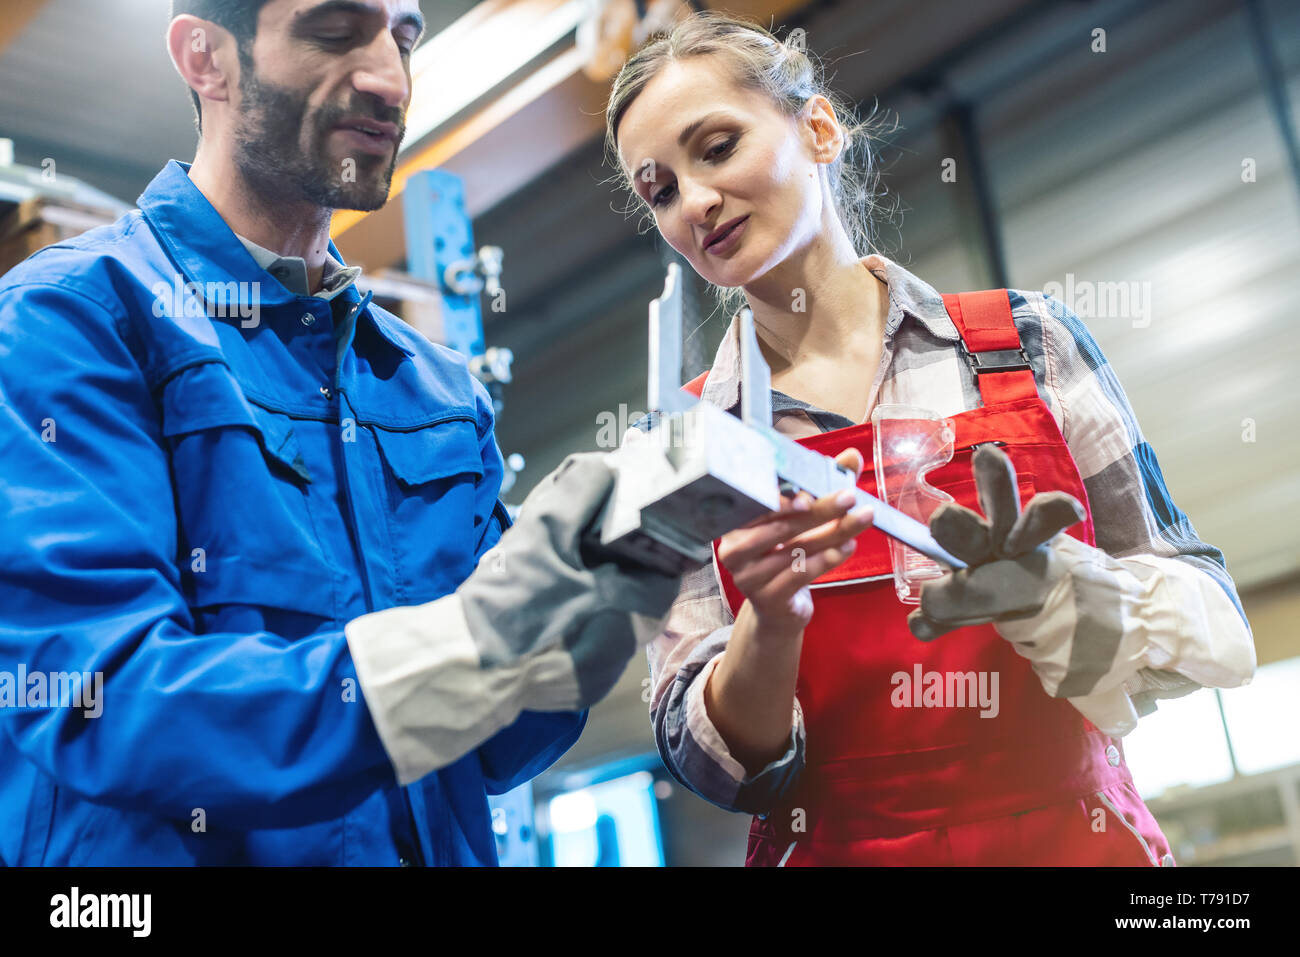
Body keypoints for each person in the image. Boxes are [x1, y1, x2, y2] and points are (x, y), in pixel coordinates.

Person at [0, 0, 682, 866]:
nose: (389, 80)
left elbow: (500, 753)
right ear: (205, 58)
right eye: (334, 31)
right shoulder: (75, 322)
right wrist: (463, 649)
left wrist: (580, 621)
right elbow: (101, 700)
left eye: (403, 39)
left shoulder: (434, 390)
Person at [607, 12, 1256, 866]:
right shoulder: (684, 445)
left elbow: (1214, 628)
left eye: (717, 147)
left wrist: (1063, 597)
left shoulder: (1029, 344)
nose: (693, 202)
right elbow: (716, 769)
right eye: (659, 191)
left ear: (818, 126)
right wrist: (769, 621)